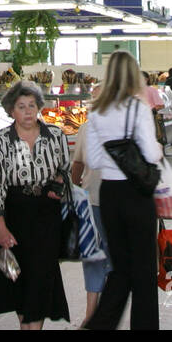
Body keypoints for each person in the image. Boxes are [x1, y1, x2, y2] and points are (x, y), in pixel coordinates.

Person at [0, 81, 70, 328]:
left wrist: (58, 185)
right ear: (11, 111)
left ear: (39, 107)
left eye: (32, 105)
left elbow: (65, 170)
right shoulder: (0, 140)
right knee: (14, 275)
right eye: (21, 106)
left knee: (41, 276)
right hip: (12, 214)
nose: (28, 111)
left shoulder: (56, 135)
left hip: (45, 215)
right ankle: (24, 325)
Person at [84, 50, 164, 330]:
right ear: (133, 74)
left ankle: (99, 325)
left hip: (109, 193)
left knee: (120, 267)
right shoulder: (137, 108)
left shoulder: (95, 110)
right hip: (137, 193)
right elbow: (152, 155)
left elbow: (92, 160)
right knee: (143, 270)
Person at [70, 120, 111, 328]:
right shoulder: (128, 121)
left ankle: (91, 313)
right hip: (117, 203)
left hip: (92, 198)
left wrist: (74, 190)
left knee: (93, 255)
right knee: (113, 256)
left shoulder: (87, 126)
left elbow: (77, 164)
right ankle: (106, 312)